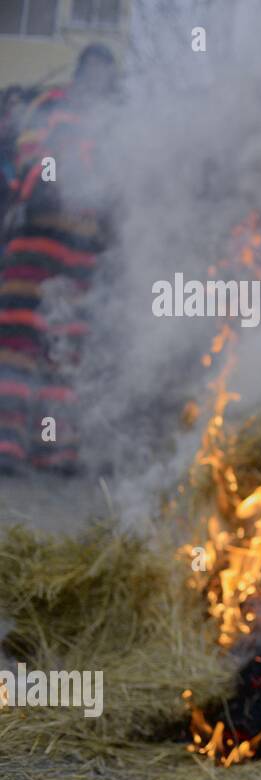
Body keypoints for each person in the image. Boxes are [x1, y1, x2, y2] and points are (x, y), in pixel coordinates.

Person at [0, 45, 117, 474]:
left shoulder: (115, 125)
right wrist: (53, 185)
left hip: (80, 251)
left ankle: (54, 449)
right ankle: (6, 446)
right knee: (17, 345)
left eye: (108, 76)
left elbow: (118, 181)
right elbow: (34, 155)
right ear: (81, 74)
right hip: (38, 240)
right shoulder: (53, 105)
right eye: (95, 74)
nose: (100, 83)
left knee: (64, 350)